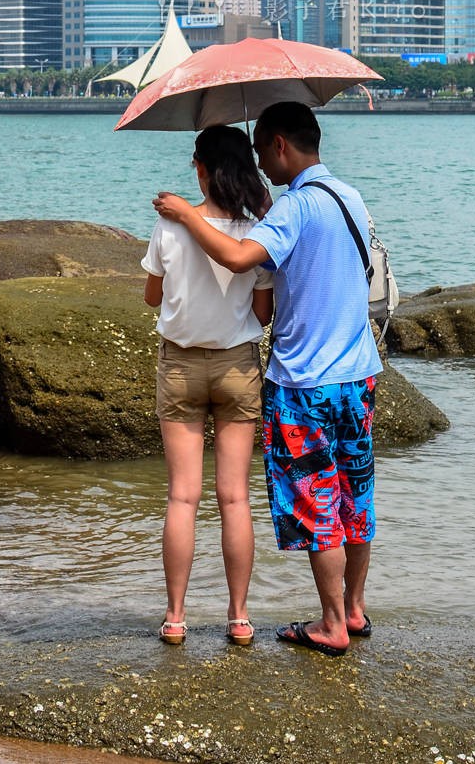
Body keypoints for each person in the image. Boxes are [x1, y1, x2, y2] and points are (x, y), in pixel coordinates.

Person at [153, 101, 382, 658]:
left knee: (316, 501)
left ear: (280, 144)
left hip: (305, 380)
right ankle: (352, 608)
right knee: (355, 496)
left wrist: (186, 215)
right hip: (359, 374)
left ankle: (329, 625)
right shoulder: (349, 196)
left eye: (262, 150)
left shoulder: (295, 208)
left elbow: (236, 258)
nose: (259, 163)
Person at [142, 123, 274, 646]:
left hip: (179, 365)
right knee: (235, 499)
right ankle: (239, 617)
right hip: (238, 366)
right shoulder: (255, 230)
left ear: (199, 167)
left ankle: (175, 617)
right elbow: (263, 314)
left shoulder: (171, 226)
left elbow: (153, 297)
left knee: (182, 497)